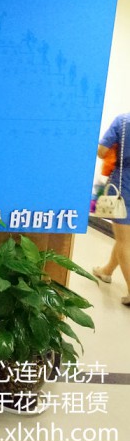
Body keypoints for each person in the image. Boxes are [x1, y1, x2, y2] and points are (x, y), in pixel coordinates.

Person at [94, 112, 130, 306]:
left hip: (124, 185)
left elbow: (101, 151)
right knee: (125, 238)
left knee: (124, 241)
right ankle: (106, 271)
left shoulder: (123, 121)